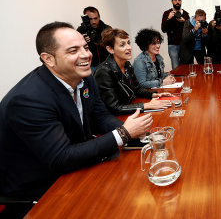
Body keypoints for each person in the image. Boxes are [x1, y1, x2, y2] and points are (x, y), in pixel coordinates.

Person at [0, 22, 153, 217]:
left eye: (86, 47)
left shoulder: (85, 77)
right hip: (41, 187)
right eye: (73, 50)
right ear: (49, 59)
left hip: (76, 166)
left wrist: (135, 131)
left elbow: (100, 116)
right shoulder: (28, 99)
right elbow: (60, 158)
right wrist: (123, 133)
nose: (86, 55)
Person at [94, 28, 172, 116]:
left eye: (128, 43)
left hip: (129, 109)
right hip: (113, 118)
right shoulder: (104, 72)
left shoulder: (127, 64)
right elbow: (114, 107)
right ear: (110, 49)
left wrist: (154, 95)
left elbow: (137, 89)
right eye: (122, 45)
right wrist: (146, 105)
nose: (129, 47)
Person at [77, 6, 112, 72]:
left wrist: (99, 41)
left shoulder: (106, 29)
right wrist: (82, 41)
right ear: (85, 19)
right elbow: (75, 48)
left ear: (99, 17)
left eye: (95, 18)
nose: (93, 22)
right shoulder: (81, 30)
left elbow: (111, 44)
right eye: (90, 19)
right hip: (90, 64)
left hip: (106, 62)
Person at [161, 0, 189, 69]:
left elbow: (190, 30)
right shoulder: (167, 13)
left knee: (186, 68)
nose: (177, 2)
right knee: (176, 68)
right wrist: (169, 19)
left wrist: (184, 21)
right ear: (172, 1)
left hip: (184, 44)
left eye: (179, 0)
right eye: (175, 0)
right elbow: (163, 29)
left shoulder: (185, 14)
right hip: (172, 45)